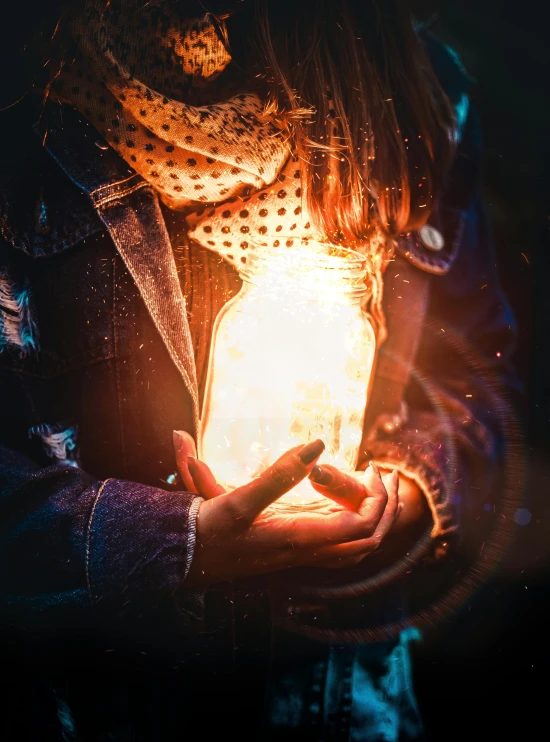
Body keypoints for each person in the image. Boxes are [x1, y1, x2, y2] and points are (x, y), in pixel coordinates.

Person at [0, 1, 520, 740]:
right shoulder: (28, 91)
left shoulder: (418, 88)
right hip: (94, 701)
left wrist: (405, 492)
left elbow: (486, 378)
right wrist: (169, 541)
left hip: (340, 702)